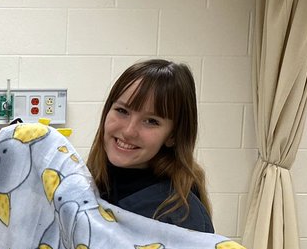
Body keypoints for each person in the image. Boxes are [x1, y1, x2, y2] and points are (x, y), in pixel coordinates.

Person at [86, 58, 214, 234]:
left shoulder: (180, 216)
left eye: (151, 121)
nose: (129, 131)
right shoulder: (85, 186)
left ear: (173, 136)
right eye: (122, 111)